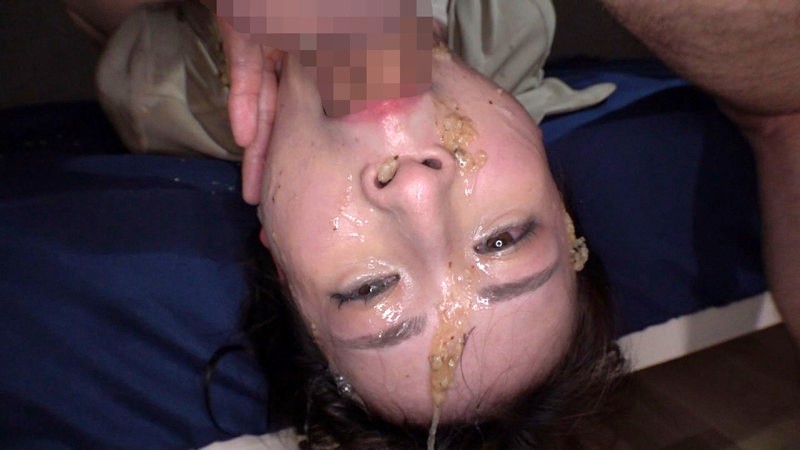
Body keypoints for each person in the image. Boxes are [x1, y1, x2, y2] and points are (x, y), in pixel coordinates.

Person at [61, 0, 800, 448]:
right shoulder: (508, 23)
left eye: (371, 288)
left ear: (280, 259)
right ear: (548, 174)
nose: (416, 190)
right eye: (502, 240)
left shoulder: (166, 94)